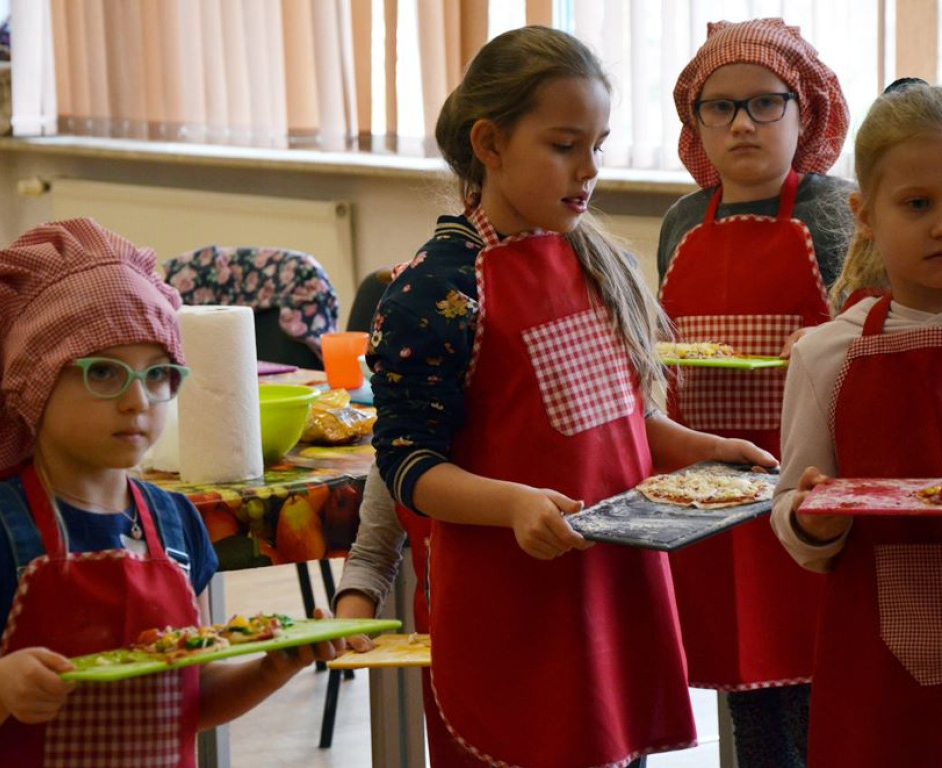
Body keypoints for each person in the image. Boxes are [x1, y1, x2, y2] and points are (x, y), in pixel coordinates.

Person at [369, 25, 774, 768]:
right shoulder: (437, 289)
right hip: (514, 619)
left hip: (611, 598)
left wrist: (703, 452)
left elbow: (621, 420)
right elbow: (408, 466)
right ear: (489, 144)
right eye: (564, 145)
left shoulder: (590, 258)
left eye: (599, 144)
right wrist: (517, 503)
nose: (590, 169)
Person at [0, 219, 341, 764]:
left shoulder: (179, 525)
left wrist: (272, 667)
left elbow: (191, 697)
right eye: (103, 374)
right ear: (33, 382)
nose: (137, 399)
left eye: (158, 373)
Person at [655, 18, 854, 767]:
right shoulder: (682, 219)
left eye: (765, 103)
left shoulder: (832, 211)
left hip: (803, 481)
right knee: (744, 680)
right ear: (695, 121)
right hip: (708, 488)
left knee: (816, 680)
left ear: (806, 112)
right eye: (720, 106)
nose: (741, 123)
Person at [771, 79, 942, 768]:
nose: (941, 223)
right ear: (864, 213)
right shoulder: (827, 354)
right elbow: (791, 505)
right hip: (877, 666)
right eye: (917, 204)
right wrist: (813, 520)